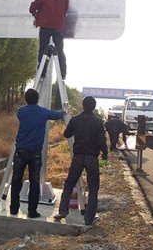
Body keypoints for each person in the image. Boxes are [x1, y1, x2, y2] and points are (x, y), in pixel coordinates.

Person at [10, 88, 66, 218]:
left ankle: (13, 209)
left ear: (26, 99)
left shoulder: (21, 112)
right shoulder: (43, 113)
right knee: (34, 182)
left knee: (16, 180)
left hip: (21, 151)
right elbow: (57, 115)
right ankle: (32, 211)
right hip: (35, 153)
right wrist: (65, 111)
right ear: (38, 98)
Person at [54, 96, 108, 225]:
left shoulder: (75, 120)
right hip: (91, 158)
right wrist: (105, 153)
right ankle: (89, 218)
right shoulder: (98, 122)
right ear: (94, 107)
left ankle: (63, 211)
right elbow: (101, 140)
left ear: (83, 106)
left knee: (69, 184)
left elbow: (67, 134)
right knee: (93, 187)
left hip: (78, 157)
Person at [29, 0, 69, 79]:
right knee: (60, 50)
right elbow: (64, 11)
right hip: (59, 27)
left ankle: (42, 72)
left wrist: (35, 13)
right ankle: (62, 72)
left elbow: (32, 8)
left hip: (45, 26)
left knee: (43, 49)